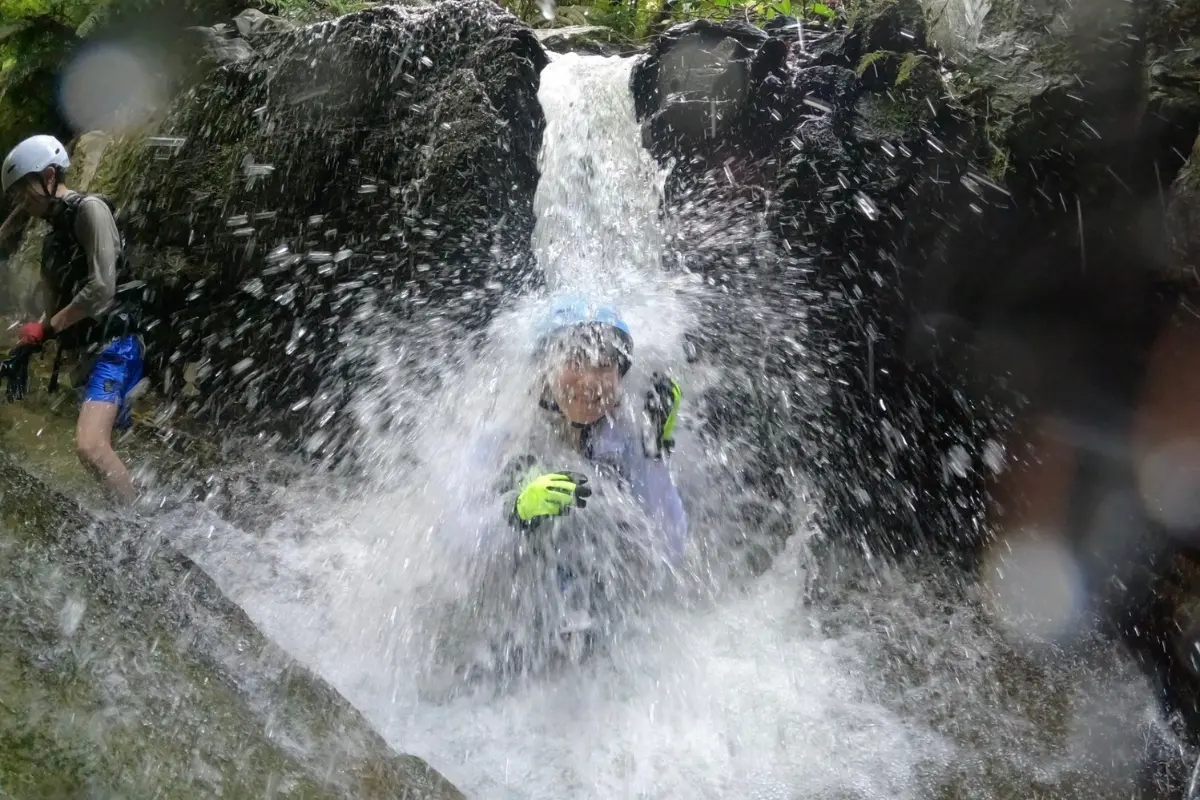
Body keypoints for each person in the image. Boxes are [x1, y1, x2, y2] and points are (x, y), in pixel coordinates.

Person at [441, 294, 688, 655]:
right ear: (544, 368)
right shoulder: (505, 435)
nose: (590, 382)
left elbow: (670, 550)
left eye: (605, 365)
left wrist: (654, 453)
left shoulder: (625, 434)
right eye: (575, 361)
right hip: (511, 637)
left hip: (605, 636)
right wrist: (514, 514)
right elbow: (454, 548)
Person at [1, 134, 145, 505]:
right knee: (106, 446)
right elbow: (53, 310)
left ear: (49, 176)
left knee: (90, 446)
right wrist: (32, 338)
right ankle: (129, 502)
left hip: (116, 346)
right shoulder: (53, 242)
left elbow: (102, 289)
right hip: (88, 352)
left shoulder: (91, 210)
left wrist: (49, 326)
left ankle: (135, 525)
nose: (21, 202)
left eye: (23, 191)